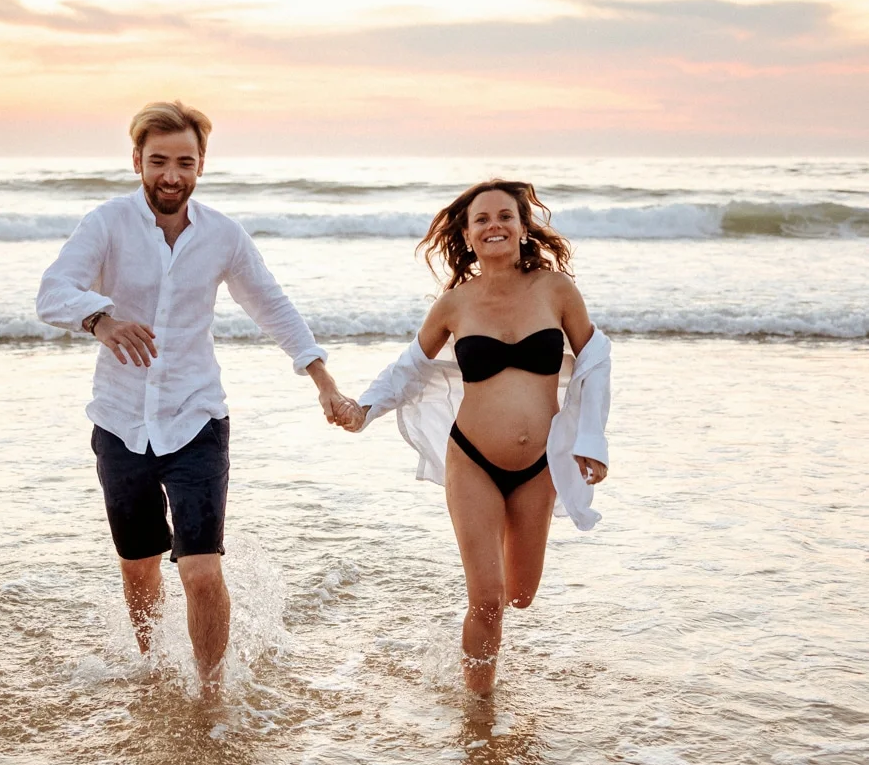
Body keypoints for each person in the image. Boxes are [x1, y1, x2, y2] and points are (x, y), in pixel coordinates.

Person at [36, 100, 357, 688]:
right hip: (120, 420)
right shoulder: (105, 223)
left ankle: (209, 694)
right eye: (158, 161)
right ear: (137, 160)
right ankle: (154, 668)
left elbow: (272, 306)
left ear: (201, 164)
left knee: (201, 569)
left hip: (197, 418)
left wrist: (323, 380)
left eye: (184, 162)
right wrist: (100, 321)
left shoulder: (223, 236)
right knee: (138, 569)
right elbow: (53, 292)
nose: (171, 175)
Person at [345, 179, 611, 696]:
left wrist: (590, 441)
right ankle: (477, 710)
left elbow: (596, 362)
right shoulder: (454, 304)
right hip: (472, 459)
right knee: (487, 599)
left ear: (522, 227)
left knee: (520, 595)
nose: (494, 226)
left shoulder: (556, 291)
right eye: (482, 219)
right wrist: (364, 410)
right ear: (467, 236)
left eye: (505, 216)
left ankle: (471, 652)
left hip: (539, 466)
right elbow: (410, 368)